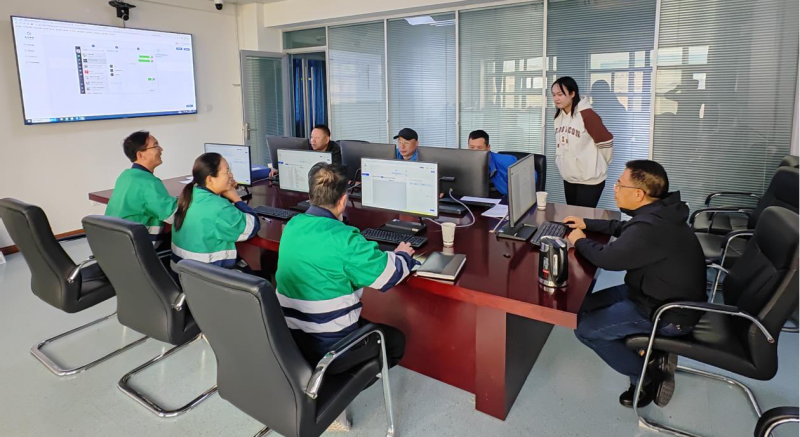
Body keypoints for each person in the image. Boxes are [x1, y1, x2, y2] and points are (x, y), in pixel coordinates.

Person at [564, 160, 706, 409]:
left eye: (620, 184)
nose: (615, 189)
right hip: (648, 293)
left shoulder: (652, 227)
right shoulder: (660, 212)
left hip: (667, 313)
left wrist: (579, 240)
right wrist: (587, 224)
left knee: (585, 330)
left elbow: (608, 259)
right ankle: (647, 351)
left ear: (639, 194)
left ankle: (648, 376)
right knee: (579, 307)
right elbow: (624, 228)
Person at [276, 163, 417, 376]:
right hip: (331, 350)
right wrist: (403, 255)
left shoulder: (292, 225)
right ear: (343, 201)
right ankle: (346, 380)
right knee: (396, 342)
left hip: (292, 342)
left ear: (311, 196)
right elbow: (387, 275)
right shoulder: (344, 240)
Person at [170, 153, 261, 270]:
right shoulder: (218, 208)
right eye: (227, 172)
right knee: (262, 275)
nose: (231, 175)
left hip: (184, 275)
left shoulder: (189, 196)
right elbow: (251, 226)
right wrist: (236, 198)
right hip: (211, 277)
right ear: (210, 179)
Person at [106, 131, 177, 247]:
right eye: (156, 146)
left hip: (117, 246)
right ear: (140, 155)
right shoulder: (148, 183)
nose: (161, 149)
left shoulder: (125, 176)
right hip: (140, 248)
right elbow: (174, 216)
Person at [552, 76, 614, 207]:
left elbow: (606, 141)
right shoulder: (558, 117)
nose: (556, 98)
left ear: (572, 94)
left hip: (589, 181)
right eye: (553, 95)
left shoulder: (587, 115)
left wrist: (599, 163)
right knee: (572, 215)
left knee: (583, 218)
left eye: (560, 94)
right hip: (569, 178)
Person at [467, 129, 537, 197]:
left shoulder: (506, 161)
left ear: (488, 148)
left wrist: (518, 192)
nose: (475, 152)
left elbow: (531, 174)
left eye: (479, 148)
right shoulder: (465, 162)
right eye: (472, 147)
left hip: (501, 199)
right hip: (473, 199)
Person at [268, 124, 341, 177]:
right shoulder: (307, 146)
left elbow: (334, 173)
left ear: (326, 140)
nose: (313, 141)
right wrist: (280, 170)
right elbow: (296, 163)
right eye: (312, 137)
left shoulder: (335, 149)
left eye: (317, 138)